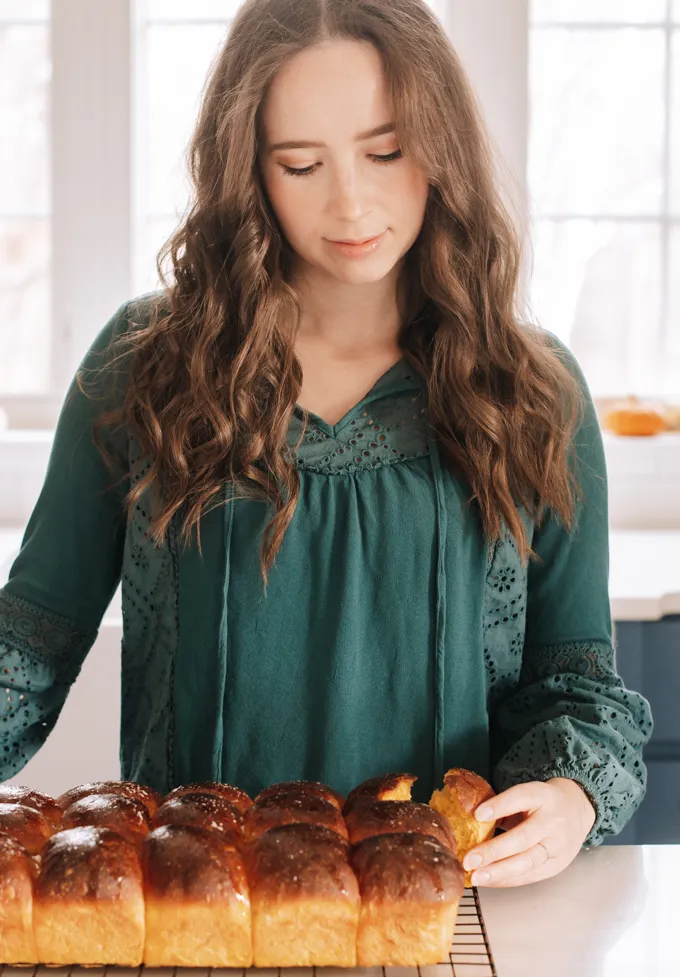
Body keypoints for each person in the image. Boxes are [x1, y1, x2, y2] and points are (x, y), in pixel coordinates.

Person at [0, 0, 652, 889]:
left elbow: (576, 687)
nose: (351, 201)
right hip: (199, 914)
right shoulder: (143, 367)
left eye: (386, 151)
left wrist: (572, 794)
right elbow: (28, 647)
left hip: (442, 912)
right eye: (300, 164)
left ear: (441, 146)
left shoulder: (533, 393)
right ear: (250, 173)